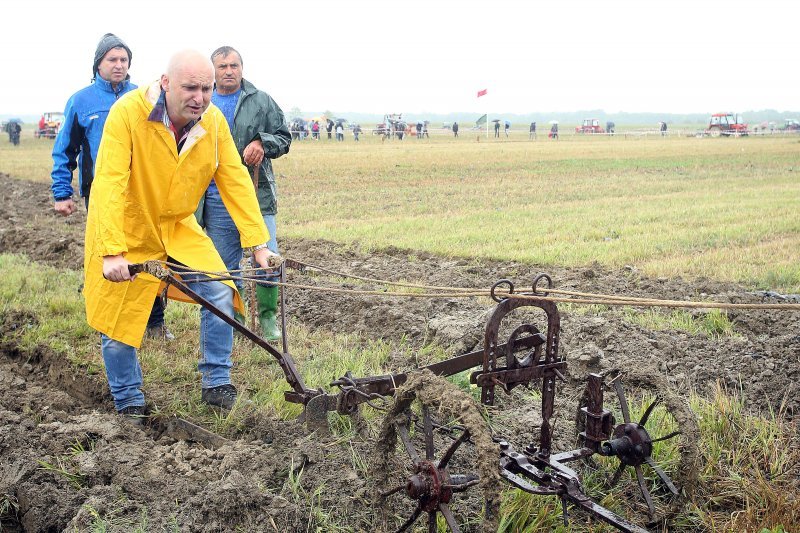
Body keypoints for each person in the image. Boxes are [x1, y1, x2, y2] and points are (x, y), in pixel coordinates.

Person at [85, 49, 279, 422]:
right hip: (127, 229)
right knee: (119, 317)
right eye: (190, 88)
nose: (200, 98)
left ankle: (217, 381)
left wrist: (258, 242)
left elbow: (234, 178)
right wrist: (111, 252)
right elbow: (108, 181)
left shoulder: (213, 121)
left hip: (177, 227)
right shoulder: (128, 114)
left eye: (206, 89)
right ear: (165, 83)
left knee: (219, 286)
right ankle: (128, 400)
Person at [49, 33, 172, 340]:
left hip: (144, 193)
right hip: (102, 192)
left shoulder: (144, 97)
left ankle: (155, 322)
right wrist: (62, 192)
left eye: (124, 60)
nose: (119, 65)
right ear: (98, 64)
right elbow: (65, 149)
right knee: (110, 252)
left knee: (151, 254)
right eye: (112, 60)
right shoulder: (81, 101)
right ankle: (109, 321)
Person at [196, 45, 291, 340]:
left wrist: (263, 143)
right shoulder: (201, 102)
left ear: (242, 68)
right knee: (224, 265)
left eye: (234, 65)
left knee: (267, 258)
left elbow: (284, 137)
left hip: (256, 192)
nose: (228, 71)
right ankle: (233, 316)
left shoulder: (261, 101)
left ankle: (267, 318)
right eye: (222, 66)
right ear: (212, 71)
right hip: (214, 196)